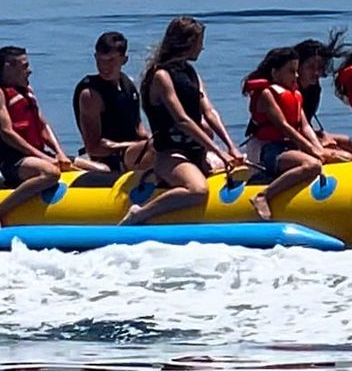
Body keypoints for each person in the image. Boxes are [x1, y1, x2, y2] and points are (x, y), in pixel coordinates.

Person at [122, 16, 245, 225]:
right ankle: (139, 213)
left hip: (196, 152)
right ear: (187, 43)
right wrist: (218, 151)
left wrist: (231, 147)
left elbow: (210, 112)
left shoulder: (191, 73)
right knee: (198, 190)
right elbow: (182, 120)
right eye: (199, 42)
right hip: (170, 154)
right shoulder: (161, 76)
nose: (202, 48)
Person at [0, 45, 102, 233]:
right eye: (24, 66)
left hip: (40, 155)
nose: (29, 70)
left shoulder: (26, 90)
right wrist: (45, 159)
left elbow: (42, 125)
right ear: (8, 67)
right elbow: (7, 133)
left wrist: (59, 153)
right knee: (50, 174)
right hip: (14, 161)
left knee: (103, 169)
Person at [242, 47, 325, 221]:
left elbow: (304, 126)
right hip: (273, 151)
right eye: (291, 71)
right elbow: (283, 126)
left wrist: (320, 149)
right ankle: (263, 196)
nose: (296, 76)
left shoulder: (296, 95)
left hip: (291, 148)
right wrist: (310, 149)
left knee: (341, 155)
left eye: (296, 71)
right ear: (275, 73)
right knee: (312, 166)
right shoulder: (267, 94)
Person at [73, 31, 153, 174]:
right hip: (109, 158)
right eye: (100, 60)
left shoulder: (129, 85)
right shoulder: (90, 95)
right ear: (95, 57)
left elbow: (139, 129)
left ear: (124, 59)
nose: (105, 67)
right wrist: (134, 145)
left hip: (133, 150)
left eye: (111, 61)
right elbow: (93, 147)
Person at [295, 33, 352, 160]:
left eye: (319, 68)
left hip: (305, 134)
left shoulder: (313, 89)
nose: (316, 72)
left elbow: (306, 122)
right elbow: (292, 126)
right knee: (346, 156)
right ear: (298, 67)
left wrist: (322, 135)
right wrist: (318, 144)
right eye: (310, 67)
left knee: (347, 142)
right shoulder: (290, 91)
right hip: (288, 138)